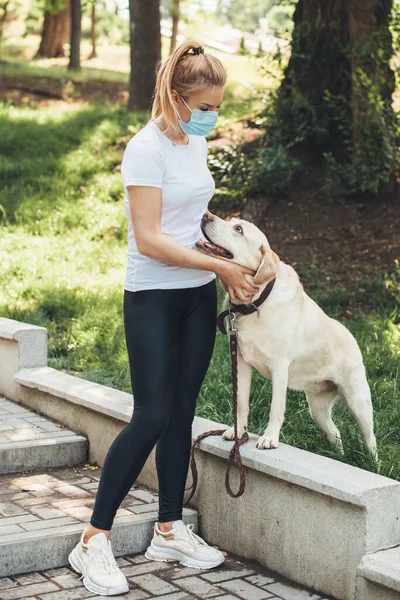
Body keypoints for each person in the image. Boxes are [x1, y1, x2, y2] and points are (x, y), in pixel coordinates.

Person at [68, 40, 259, 597]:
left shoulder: (191, 145)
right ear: (176, 98)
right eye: (204, 106)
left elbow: (190, 214)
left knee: (182, 413)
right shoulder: (143, 150)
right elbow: (150, 240)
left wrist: (233, 250)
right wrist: (218, 269)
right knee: (151, 413)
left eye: (218, 105)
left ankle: (170, 529)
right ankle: (91, 541)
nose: (212, 116)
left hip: (197, 293)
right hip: (154, 295)